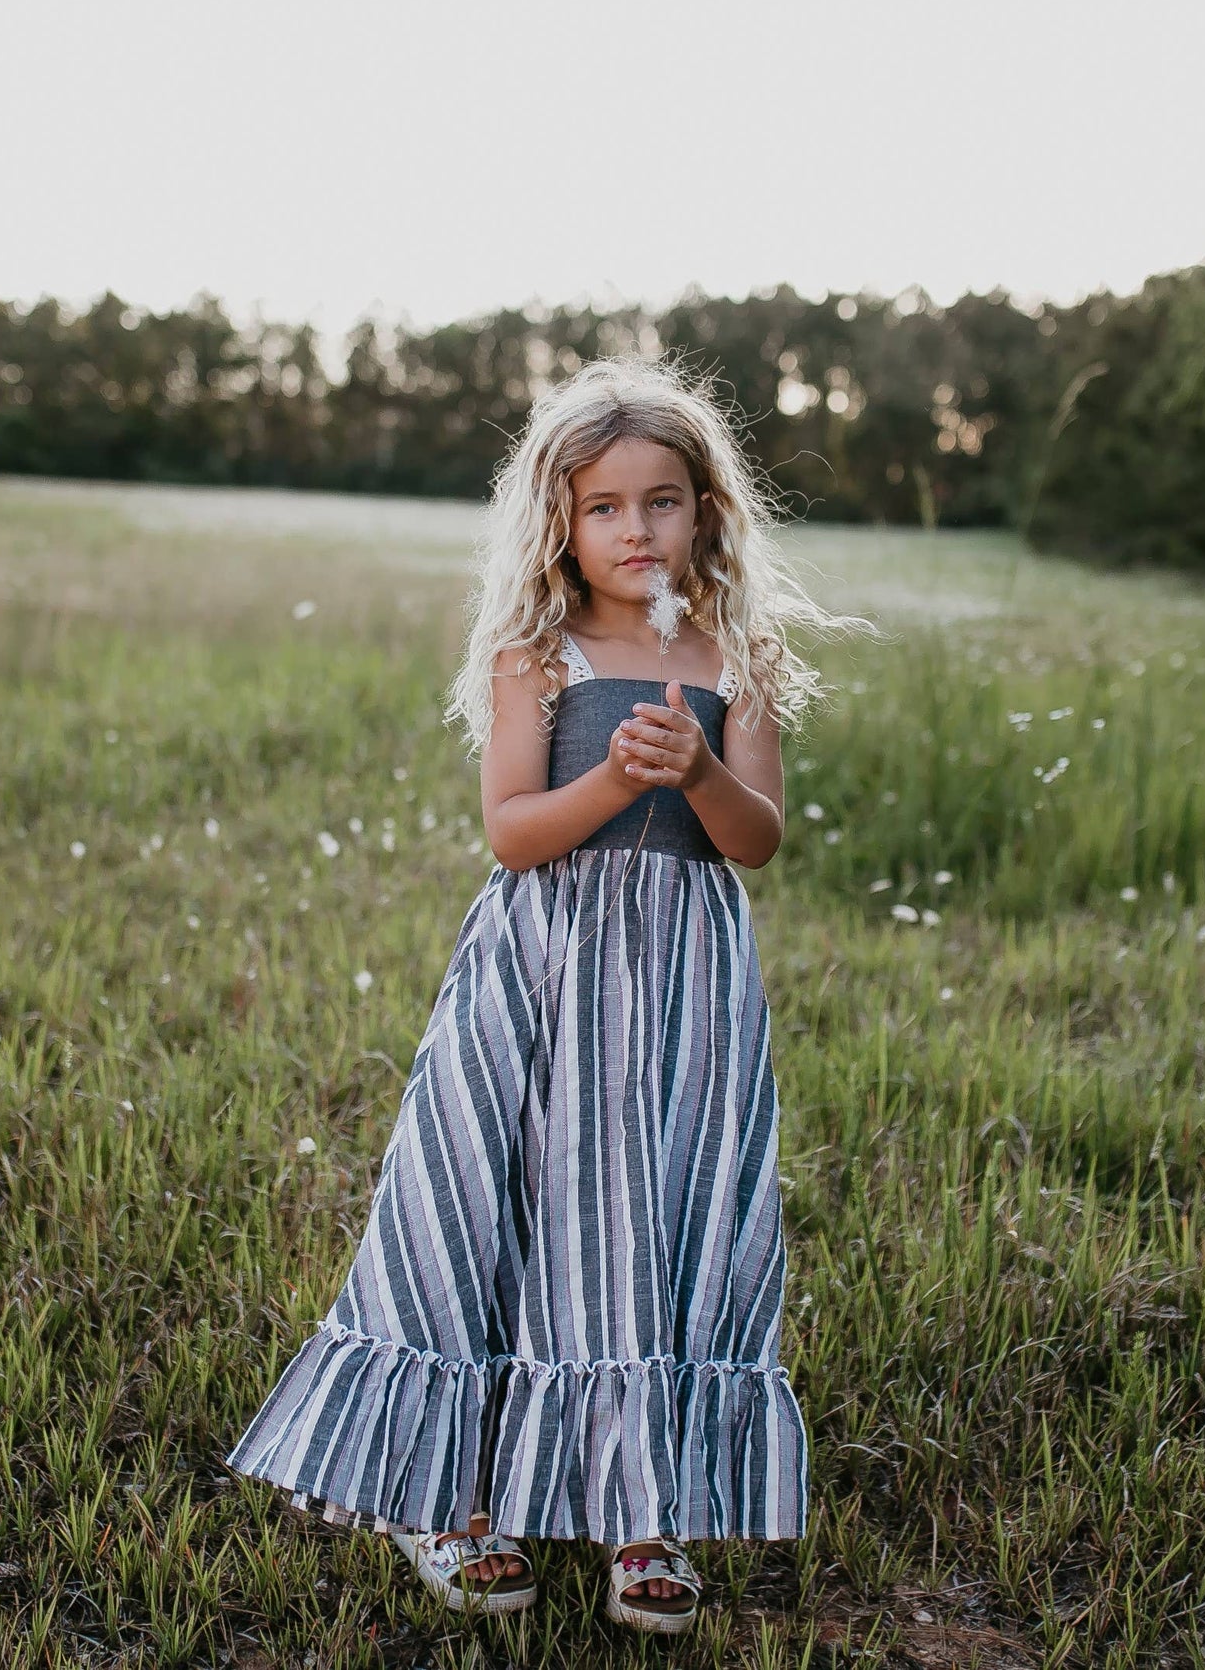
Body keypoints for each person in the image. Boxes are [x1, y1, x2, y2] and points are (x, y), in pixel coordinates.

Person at [222, 351, 879, 1634]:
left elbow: (755, 842)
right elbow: (513, 832)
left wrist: (694, 770)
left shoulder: (738, 650)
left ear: (706, 511)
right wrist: (618, 782)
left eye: (664, 500)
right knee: (496, 1201)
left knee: (653, 1214)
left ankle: (645, 1504)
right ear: (559, 523)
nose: (636, 529)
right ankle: (454, 1494)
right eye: (603, 506)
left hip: (682, 984)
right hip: (545, 968)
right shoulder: (538, 652)